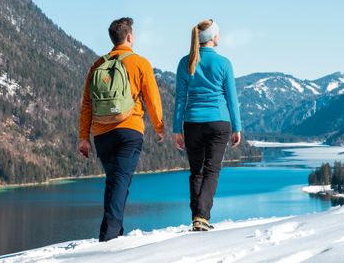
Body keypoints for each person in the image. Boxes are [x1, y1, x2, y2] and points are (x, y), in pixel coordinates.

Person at [78, 17, 165, 242]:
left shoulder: (98, 65)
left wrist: (83, 137)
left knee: (116, 180)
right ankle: (108, 237)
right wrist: (159, 127)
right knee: (120, 181)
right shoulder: (140, 63)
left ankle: (115, 233)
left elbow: (87, 103)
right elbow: (153, 99)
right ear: (129, 36)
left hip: (101, 132)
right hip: (129, 130)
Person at [172, 19, 243, 232]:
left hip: (192, 122)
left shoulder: (185, 62)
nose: (220, 35)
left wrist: (177, 129)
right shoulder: (224, 63)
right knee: (212, 170)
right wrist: (237, 127)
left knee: (196, 172)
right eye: (218, 32)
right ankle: (201, 216)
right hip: (219, 122)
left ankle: (198, 218)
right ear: (212, 37)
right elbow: (232, 99)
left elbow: (179, 99)